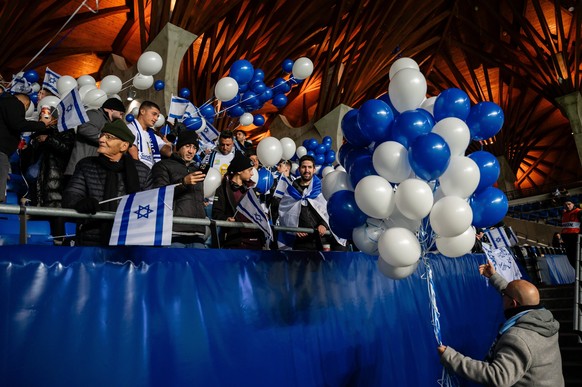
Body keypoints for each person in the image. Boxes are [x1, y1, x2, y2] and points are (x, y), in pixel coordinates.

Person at [438, 261, 564, 386]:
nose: (502, 296)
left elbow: (498, 377)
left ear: (513, 303)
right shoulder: (545, 320)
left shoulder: (518, 338)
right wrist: (494, 276)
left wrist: (451, 358)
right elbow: (516, 294)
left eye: (504, 295)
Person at [63, 119, 151, 246]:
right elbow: (71, 194)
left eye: (109, 137)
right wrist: (81, 202)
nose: (101, 140)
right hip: (90, 239)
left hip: (128, 241)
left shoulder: (142, 171)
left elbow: (150, 204)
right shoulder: (86, 165)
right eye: (102, 135)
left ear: (124, 146)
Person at [273, 155, 346, 251]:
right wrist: (294, 228)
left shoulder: (322, 188)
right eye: (303, 167)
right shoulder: (291, 190)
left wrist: (324, 224)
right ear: (299, 169)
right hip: (300, 242)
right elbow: (284, 212)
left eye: (309, 167)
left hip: (321, 240)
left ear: (314, 169)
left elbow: (329, 210)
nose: (307, 170)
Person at [152, 131, 208, 248]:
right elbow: (158, 194)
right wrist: (183, 183)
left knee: (197, 266)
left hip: (198, 231)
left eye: (194, 147)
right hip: (174, 231)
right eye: (187, 146)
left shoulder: (196, 170)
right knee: (173, 266)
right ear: (178, 147)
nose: (191, 151)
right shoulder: (163, 165)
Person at [0, 92, 52, 202]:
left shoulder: (3, 102)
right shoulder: (14, 103)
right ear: (25, 103)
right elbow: (18, 124)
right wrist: (42, 124)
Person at [212, 152, 265, 249]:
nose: (252, 173)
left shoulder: (252, 189)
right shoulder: (223, 189)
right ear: (239, 171)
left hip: (255, 241)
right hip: (234, 241)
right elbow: (216, 213)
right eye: (249, 170)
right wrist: (226, 219)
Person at [65, 97, 127, 178]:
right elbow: (84, 128)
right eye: (120, 113)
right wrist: (106, 139)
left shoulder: (106, 121)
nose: (120, 117)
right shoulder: (94, 114)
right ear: (111, 109)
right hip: (78, 169)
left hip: (89, 170)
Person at [127, 101, 172, 168]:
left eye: (158, 116)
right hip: (139, 170)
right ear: (142, 111)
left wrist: (168, 145)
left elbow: (168, 152)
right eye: (154, 114)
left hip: (150, 172)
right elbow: (132, 151)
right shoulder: (131, 128)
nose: (156, 119)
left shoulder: (153, 135)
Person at [560, 199, 581, 268]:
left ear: (573, 204)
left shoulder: (578, 212)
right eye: (565, 205)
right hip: (567, 242)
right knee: (572, 261)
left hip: (576, 240)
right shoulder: (564, 214)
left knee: (578, 259)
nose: (567, 206)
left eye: (569, 204)